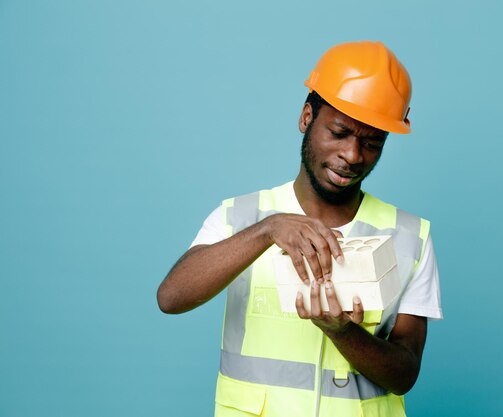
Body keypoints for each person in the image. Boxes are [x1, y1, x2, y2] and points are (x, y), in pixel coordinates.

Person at [157, 40, 443, 417]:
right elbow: (171, 298)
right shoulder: (240, 216)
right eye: (339, 133)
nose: (353, 155)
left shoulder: (410, 236)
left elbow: (404, 373)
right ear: (306, 117)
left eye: (372, 143)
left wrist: (342, 331)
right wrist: (267, 230)